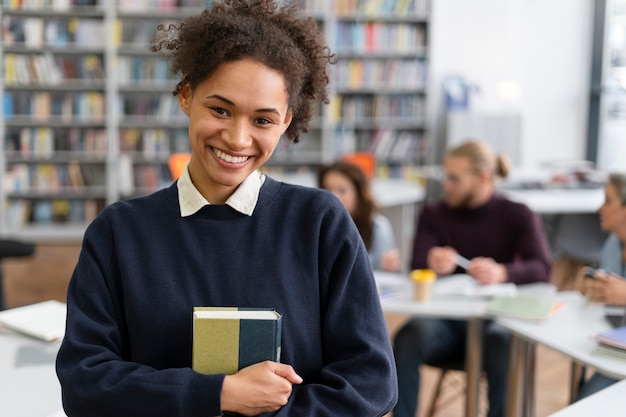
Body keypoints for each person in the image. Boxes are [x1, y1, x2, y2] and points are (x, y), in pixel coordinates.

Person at [55, 1, 398, 416]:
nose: (237, 139)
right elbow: (84, 384)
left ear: (287, 121)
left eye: (263, 120)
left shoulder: (319, 222)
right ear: (186, 96)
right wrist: (219, 394)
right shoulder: (119, 231)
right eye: (220, 109)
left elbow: (371, 382)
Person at [393, 140, 552, 417]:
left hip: (497, 317)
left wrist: (503, 272)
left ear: (483, 178)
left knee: (502, 341)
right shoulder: (433, 213)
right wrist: (431, 261)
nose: (446, 185)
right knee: (408, 336)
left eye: (454, 178)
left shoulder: (518, 214)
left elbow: (542, 268)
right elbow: (416, 264)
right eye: (445, 176)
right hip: (447, 319)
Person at [575, 173, 626, 400]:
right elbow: (607, 281)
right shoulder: (614, 244)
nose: (600, 209)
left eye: (608, 201)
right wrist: (590, 281)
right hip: (614, 349)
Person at [317, 161, 400, 272]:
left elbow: (385, 272)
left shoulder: (378, 226)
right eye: (327, 190)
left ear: (359, 194)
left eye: (342, 190)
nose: (334, 197)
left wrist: (390, 266)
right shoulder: (316, 226)